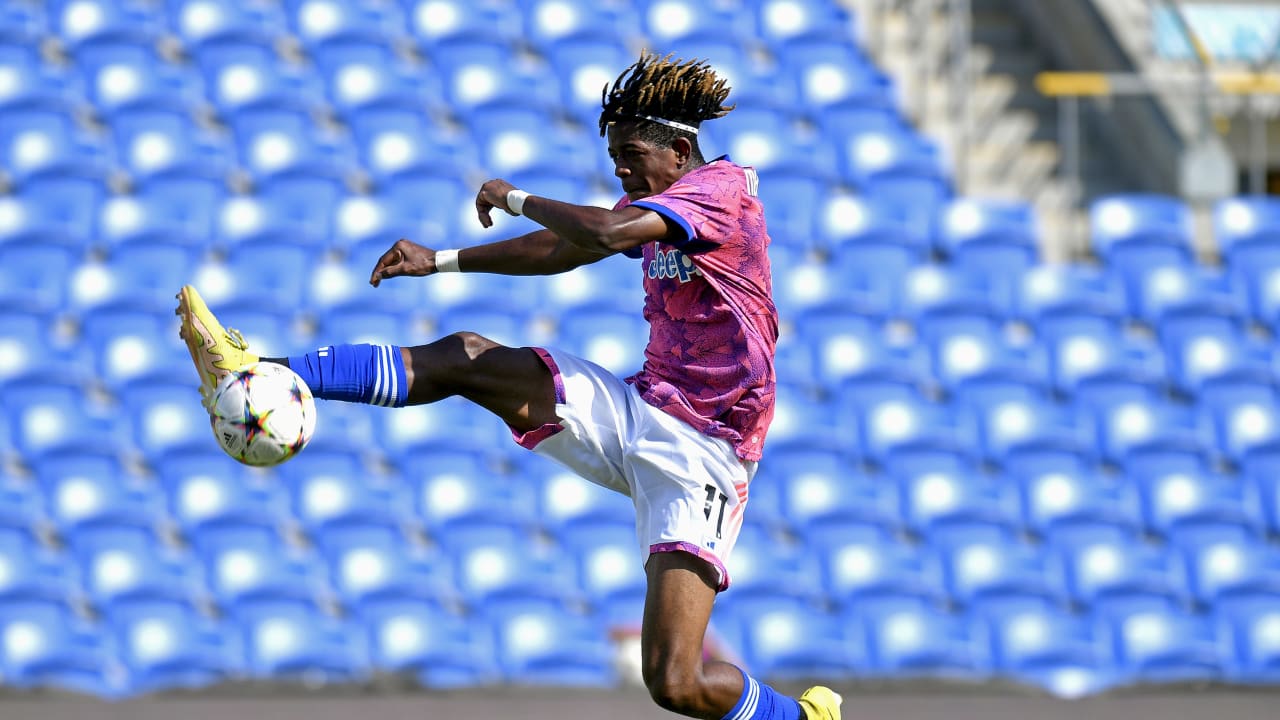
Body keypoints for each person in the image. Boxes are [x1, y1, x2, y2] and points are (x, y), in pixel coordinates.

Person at [176, 52, 842, 720]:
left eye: (631, 153)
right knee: (467, 356)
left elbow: (604, 232)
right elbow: (563, 250)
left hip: (706, 452)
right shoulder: (658, 204)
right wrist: (441, 260)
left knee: (675, 683)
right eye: (613, 156)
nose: (620, 169)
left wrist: (511, 195)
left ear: (680, 149)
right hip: (641, 405)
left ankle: (803, 718)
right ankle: (270, 371)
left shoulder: (720, 193)